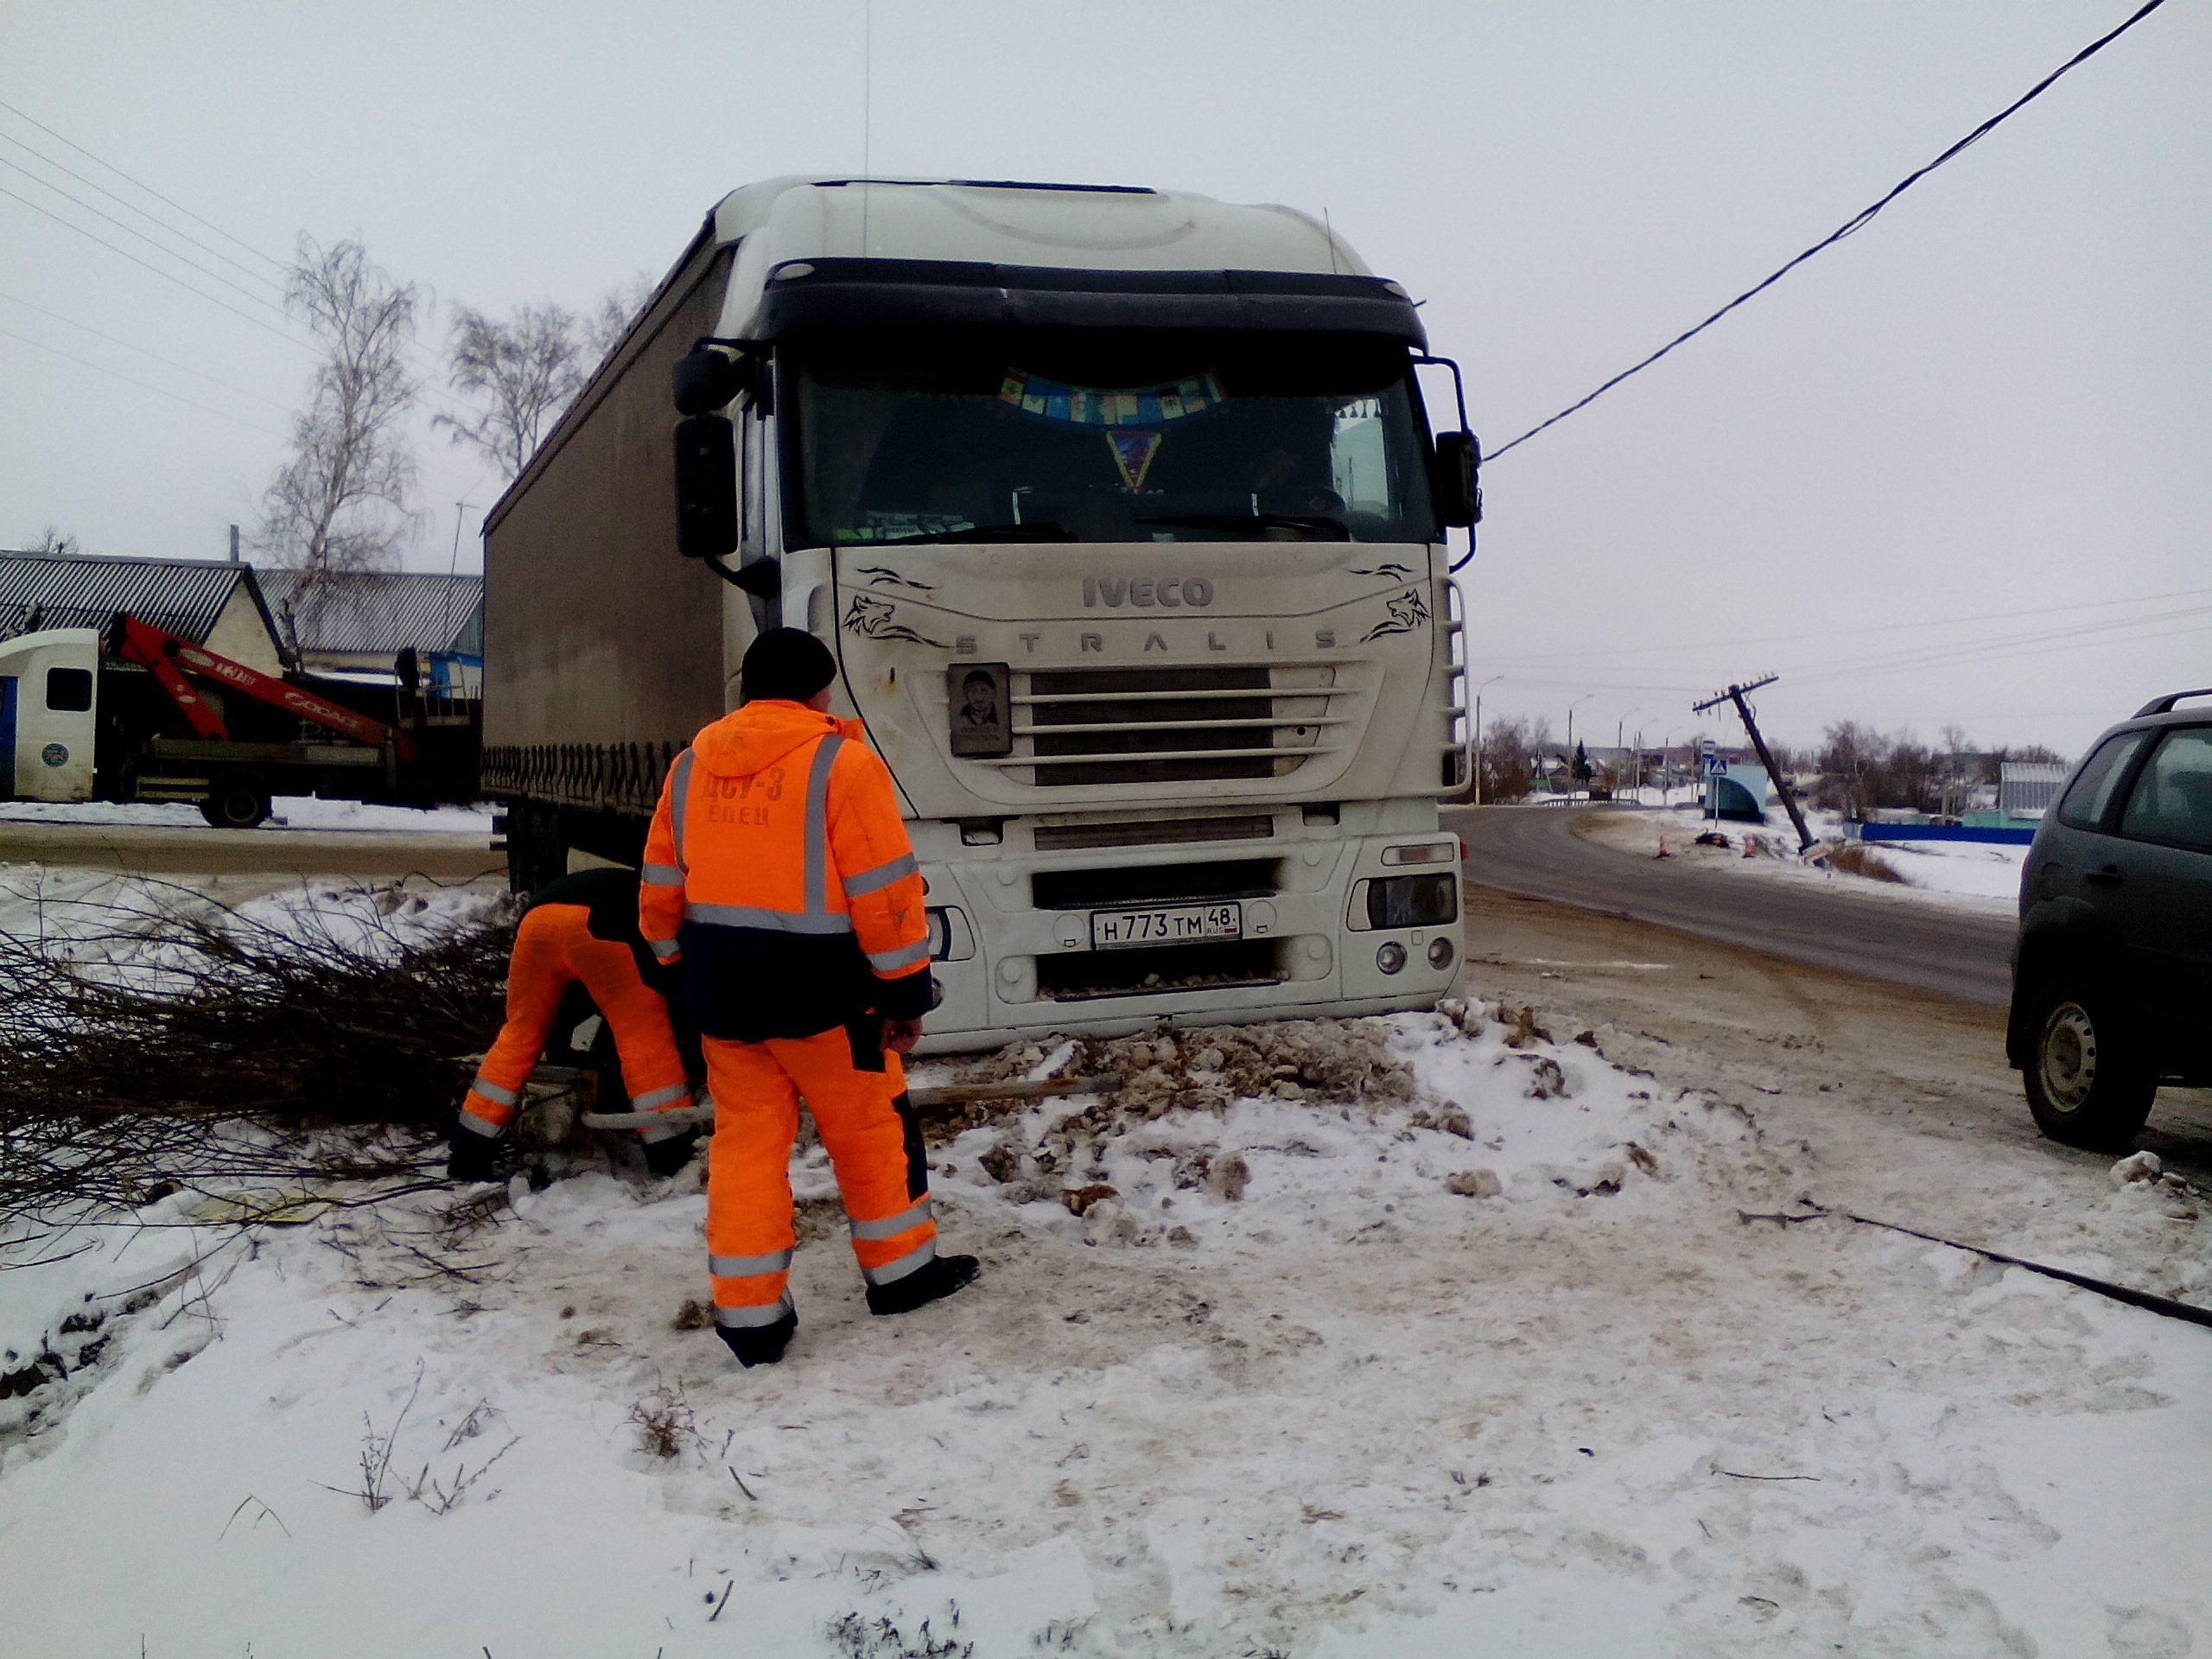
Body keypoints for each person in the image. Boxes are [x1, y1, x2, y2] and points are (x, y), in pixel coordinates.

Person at [640, 628, 977, 1368]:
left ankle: (752, 1319)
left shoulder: (692, 766)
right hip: (826, 1000)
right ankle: (901, 1276)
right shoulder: (840, 763)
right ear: (819, 688)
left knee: (746, 1148)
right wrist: (904, 995)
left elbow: (661, 885)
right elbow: (884, 897)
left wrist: (675, 967)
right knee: (869, 1132)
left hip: (726, 1002)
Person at [448, 866, 700, 1182]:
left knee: (520, 1034)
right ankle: (671, 1154)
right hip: (605, 928)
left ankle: (468, 1153)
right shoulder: (679, 906)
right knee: (643, 1037)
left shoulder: (636, 880)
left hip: (537, 921)